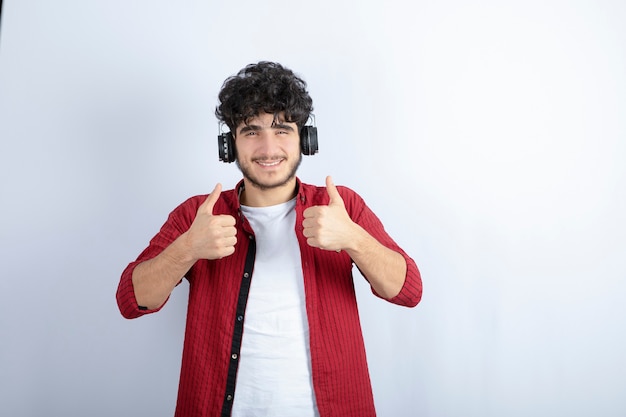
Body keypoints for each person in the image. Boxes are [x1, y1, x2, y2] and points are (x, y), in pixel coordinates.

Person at [116, 61, 422, 417]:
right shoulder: (199, 215)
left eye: (281, 130)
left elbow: (408, 291)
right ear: (229, 144)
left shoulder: (340, 206)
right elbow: (130, 300)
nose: (267, 147)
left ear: (305, 139)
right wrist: (187, 248)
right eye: (251, 131)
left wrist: (353, 237)